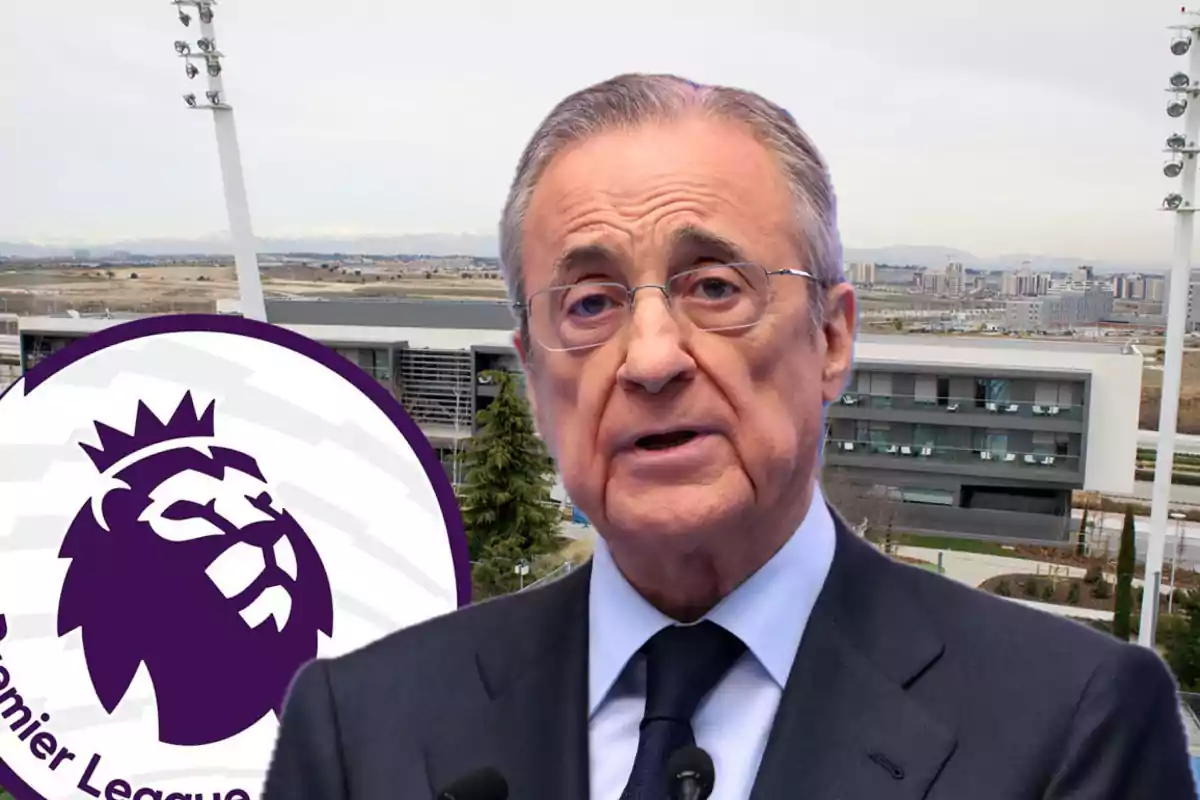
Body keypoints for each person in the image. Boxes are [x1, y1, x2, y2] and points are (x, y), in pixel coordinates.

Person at [262, 73, 1195, 800]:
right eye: (588, 303)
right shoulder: (359, 728)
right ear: (536, 375)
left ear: (831, 339)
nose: (652, 357)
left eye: (714, 287)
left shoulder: (1070, 727)